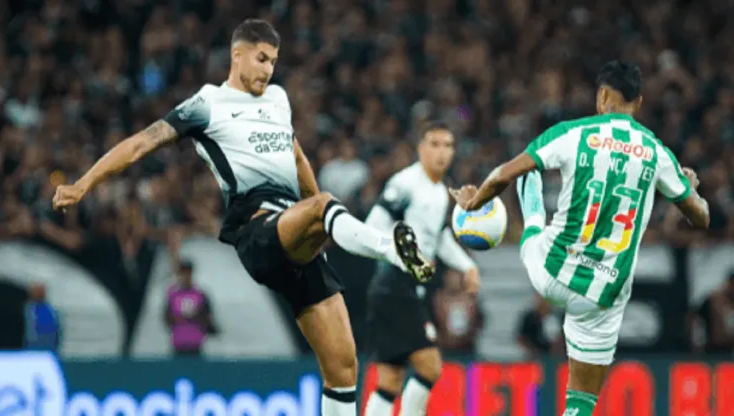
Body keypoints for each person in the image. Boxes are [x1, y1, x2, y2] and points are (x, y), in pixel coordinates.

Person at [52, 19, 434, 416]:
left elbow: (297, 157)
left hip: (295, 231)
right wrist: (84, 183)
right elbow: (141, 143)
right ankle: (391, 248)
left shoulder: (278, 100)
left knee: (343, 369)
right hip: (257, 231)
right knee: (324, 206)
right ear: (238, 55)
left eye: (274, 61)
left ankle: (358, 235)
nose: (269, 69)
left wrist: (321, 219)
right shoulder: (207, 104)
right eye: (262, 58)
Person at [450, 60, 710, 416]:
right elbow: (701, 217)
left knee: (529, 179)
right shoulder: (657, 151)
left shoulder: (573, 133)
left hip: (553, 270)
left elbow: (501, 175)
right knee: (582, 402)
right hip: (604, 293)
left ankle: (533, 223)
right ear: (640, 102)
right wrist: (693, 190)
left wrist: (473, 201)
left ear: (602, 96)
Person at [363, 122, 480, 416]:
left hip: (404, 288)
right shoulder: (405, 183)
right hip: (394, 284)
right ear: (420, 149)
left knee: (390, 380)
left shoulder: (440, 192)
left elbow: (439, 238)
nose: (442, 152)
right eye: (435, 144)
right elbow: (373, 225)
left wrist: (467, 266)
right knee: (430, 366)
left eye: (448, 145)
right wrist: (408, 255)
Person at [164, 259, 219, 357]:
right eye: (183, 272)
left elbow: (209, 319)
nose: (185, 276)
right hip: (178, 345)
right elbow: (166, 319)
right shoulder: (172, 296)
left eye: (188, 272)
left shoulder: (201, 295)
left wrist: (196, 316)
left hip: (196, 345)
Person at [23, 282, 60, 353]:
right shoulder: (28, 309)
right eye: (36, 291)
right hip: (32, 348)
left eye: (41, 291)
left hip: (49, 347)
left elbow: (57, 330)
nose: (39, 294)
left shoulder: (51, 310)